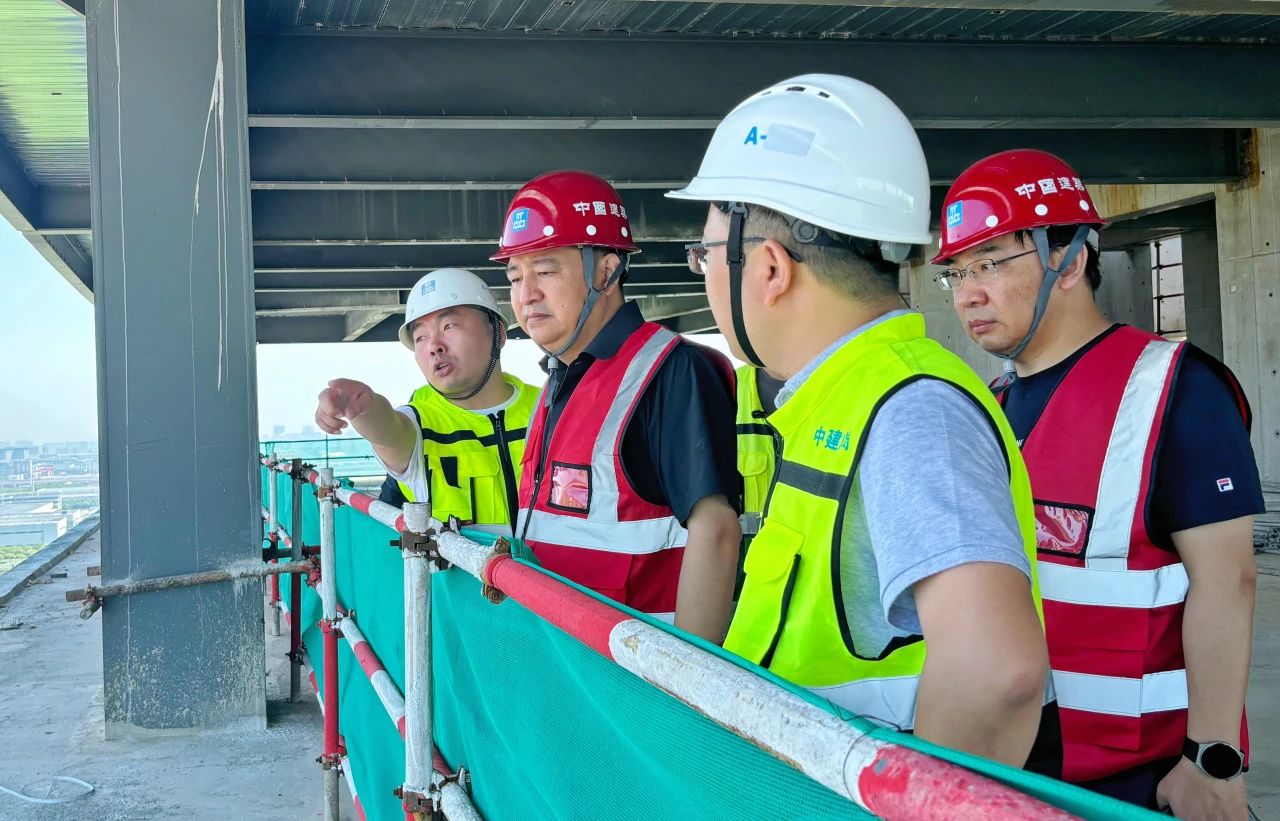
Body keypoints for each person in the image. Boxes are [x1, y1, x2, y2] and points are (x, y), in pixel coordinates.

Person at [667, 74, 1049, 767]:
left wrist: (914, 805)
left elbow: (998, 675)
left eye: (706, 255)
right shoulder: (839, 398)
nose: (705, 274)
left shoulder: (910, 410)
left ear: (770, 268)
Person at [936, 148, 1261, 815]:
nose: (969, 293)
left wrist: (1212, 759)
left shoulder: (1174, 388)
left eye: (991, 262)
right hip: (1013, 771)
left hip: (1138, 782)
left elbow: (1228, 579)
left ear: (1070, 260)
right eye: (958, 272)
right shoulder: (994, 405)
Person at [495, 170, 741, 643]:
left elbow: (716, 532)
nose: (526, 294)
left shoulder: (672, 370)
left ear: (606, 271)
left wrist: (684, 680)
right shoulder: (560, 380)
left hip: (635, 675)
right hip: (566, 663)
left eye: (545, 271)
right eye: (515, 276)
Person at [314, 268, 537, 534]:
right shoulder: (420, 424)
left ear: (497, 333)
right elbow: (389, 432)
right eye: (421, 337)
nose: (434, 346)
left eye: (449, 326)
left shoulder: (550, 407)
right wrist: (362, 408)